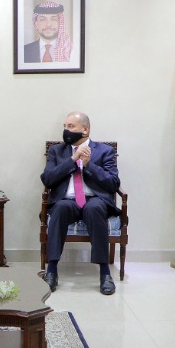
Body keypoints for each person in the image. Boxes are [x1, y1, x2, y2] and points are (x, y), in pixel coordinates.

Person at [41, 112, 121, 295]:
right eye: (65, 126)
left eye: (71, 126)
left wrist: (88, 165)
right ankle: (51, 271)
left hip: (94, 199)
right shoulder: (56, 151)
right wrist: (72, 160)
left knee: (94, 208)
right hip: (67, 200)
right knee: (60, 208)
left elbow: (113, 183)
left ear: (85, 129)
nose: (66, 130)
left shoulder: (104, 151)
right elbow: (47, 179)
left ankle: (105, 273)